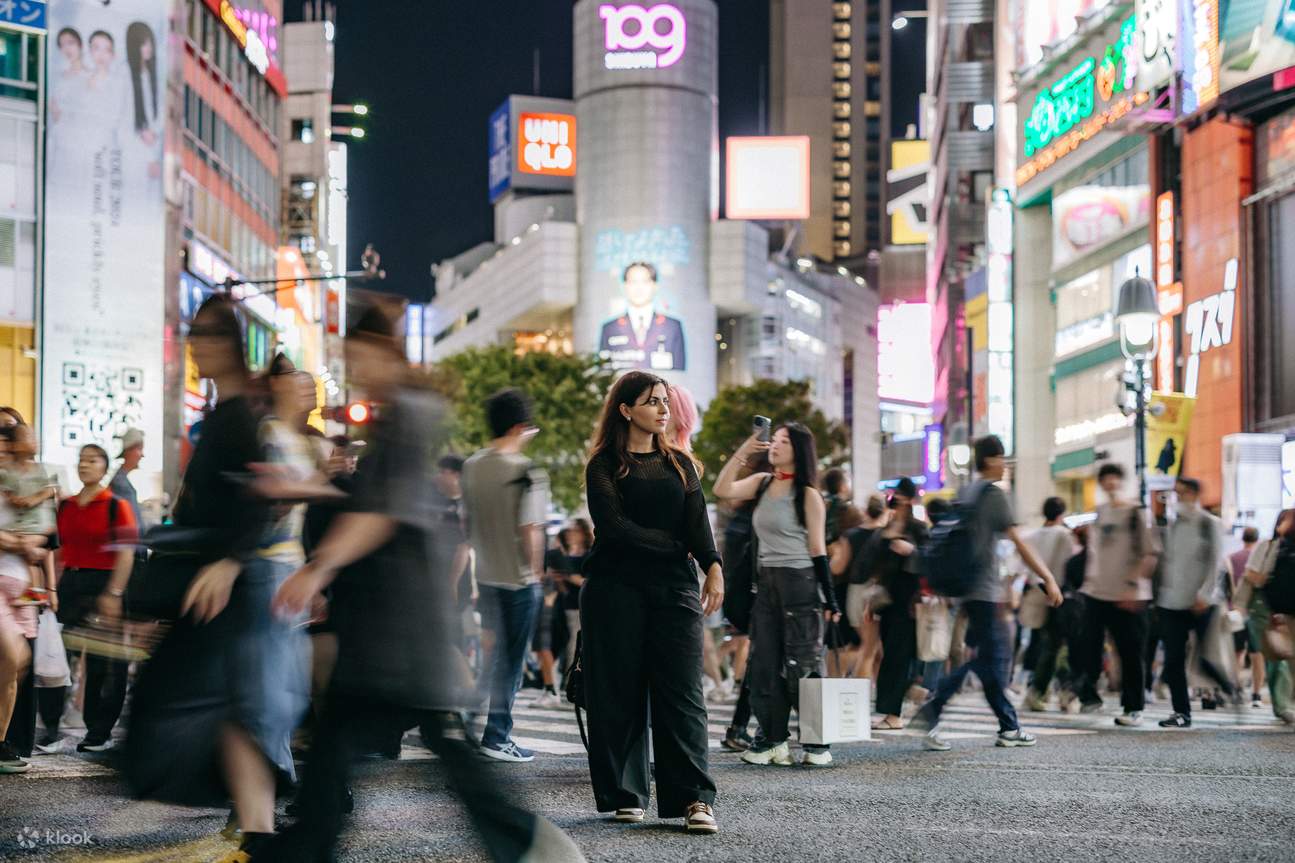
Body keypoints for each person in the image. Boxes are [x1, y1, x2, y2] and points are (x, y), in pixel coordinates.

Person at [260, 304, 583, 863]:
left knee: (428, 742)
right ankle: (309, 845)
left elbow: (384, 513)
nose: (355, 369)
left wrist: (316, 568)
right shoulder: (402, 412)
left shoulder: (408, 413)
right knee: (358, 731)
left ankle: (528, 841)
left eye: (358, 356)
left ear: (383, 351)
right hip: (391, 608)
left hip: (399, 613)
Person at [122, 296, 310, 862]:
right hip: (229, 585)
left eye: (204, 333)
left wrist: (229, 563)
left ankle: (264, 826)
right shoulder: (227, 412)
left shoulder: (241, 417)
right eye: (192, 332)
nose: (196, 343)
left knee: (233, 708)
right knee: (235, 711)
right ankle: (258, 829)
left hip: (241, 587)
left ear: (227, 341)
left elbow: (261, 500)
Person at [580, 371, 722, 834]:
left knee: (682, 693)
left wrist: (713, 564)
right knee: (619, 691)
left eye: (664, 401)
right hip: (614, 588)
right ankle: (626, 793)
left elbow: (699, 527)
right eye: (652, 402)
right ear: (625, 410)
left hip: (674, 590)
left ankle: (695, 800)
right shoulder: (603, 465)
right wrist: (675, 545)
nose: (664, 409)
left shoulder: (681, 464)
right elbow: (615, 528)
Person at [911, 435, 1063, 751]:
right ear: (991, 460)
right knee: (987, 660)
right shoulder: (993, 495)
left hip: (966, 588)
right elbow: (1019, 542)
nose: (1005, 465)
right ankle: (934, 708)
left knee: (989, 660)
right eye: (1002, 458)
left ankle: (1008, 726)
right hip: (983, 591)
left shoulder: (967, 491)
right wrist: (1047, 576)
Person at [713, 423, 840, 767]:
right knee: (764, 664)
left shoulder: (808, 495)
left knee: (803, 665)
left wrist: (831, 600)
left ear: (799, 451)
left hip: (800, 582)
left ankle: (817, 744)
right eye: (776, 440)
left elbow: (818, 549)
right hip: (766, 583)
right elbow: (722, 488)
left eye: (784, 442)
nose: (776, 446)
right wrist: (747, 448)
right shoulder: (763, 483)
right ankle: (772, 739)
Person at [460, 388, 549, 763]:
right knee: (511, 661)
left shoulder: (471, 466)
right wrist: (537, 573)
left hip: (487, 576)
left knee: (493, 654)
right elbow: (531, 529)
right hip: (518, 580)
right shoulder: (526, 471)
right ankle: (497, 735)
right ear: (519, 426)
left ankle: (468, 712)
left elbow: (468, 522)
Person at [44, 444, 140, 753]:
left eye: (92, 460)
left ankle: (98, 733)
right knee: (59, 656)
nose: (85, 465)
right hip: (71, 583)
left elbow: (126, 553)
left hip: (105, 583)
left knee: (104, 662)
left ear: (104, 466)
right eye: (81, 460)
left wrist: (114, 593)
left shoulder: (115, 504)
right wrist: (51, 587)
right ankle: (50, 728)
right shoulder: (67, 506)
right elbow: (57, 551)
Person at [1074, 464, 1160, 726]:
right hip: (1096, 592)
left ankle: (1133, 707)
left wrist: (1134, 585)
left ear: (1121, 481)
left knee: (1130, 652)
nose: (1110, 483)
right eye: (1105, 479)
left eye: (1114, 479)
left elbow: (1151, 553)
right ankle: (1089, 696)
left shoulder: (1137, 512)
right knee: (1087, 646)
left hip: (1128, 594)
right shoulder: (1099, 513)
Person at [1156, 478, 1235, 728]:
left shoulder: (1208, 523)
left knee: (1203, 659)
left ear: (1195, 494)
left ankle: (1230, 689)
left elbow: (1215, 563)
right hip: (1171, 602)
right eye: (1177, 493)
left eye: (1184, 492)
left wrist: (1204, 593)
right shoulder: (1174, 525)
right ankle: (1182, 713)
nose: (1179, 497)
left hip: (1201, 602)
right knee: (1173, 661)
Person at [865, 479, 928, 731]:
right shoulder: (888, 526)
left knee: (899, 655)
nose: (895, 499)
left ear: (910, 499)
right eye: (892, 495)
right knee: (888, 654)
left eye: (899, 496)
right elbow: (873, 562)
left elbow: (930, 561)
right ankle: (898, 703)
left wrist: (910, 550)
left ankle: (894, 713)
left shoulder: (919, 528)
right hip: (887, 600)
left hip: (910, 601)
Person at [1022, 498, 1076, 711]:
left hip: (1037, 594)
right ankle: (1060, 692)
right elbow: (1068, 564)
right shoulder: (1064, 535)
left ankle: (1039, 690)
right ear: (1061, 513)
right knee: (1059, 646)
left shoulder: (1032, 536)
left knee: (1043, 644)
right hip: (1059, 595)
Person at [1243, 509, 1295, 724]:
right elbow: (1251, 574)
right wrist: (1268, 581)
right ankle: (1282, 706)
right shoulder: (1268, 546)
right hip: (1268, 610)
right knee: (1279, 658)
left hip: (1290, 610)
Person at [835, 493, 889, 680]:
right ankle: (861, 695)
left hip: (855, 592)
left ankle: (875, 692)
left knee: (873, 648)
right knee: (869, 649)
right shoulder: (885, 535)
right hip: (875, 594)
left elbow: (839, 566)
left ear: (866, 510)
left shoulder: (850, 535)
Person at [597, 262, 686, 372]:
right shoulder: (609, 328)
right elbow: (604, 372)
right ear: (624, 286)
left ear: (655, 286)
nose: (639, 288)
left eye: (645, 281)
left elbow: (679, 372)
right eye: (633, 281)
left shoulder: (672, 326)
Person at [1228, 526, 1265, 708]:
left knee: (1237, 653)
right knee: (1257, 655)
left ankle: (1236, 690)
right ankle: (1256, 695)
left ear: (1242, 538)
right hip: (1256, 611)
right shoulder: (1260, 559)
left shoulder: (1232, 558)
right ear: (1257, 539)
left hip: (1236, 611)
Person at [108, 428, 145, 529]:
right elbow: (132, 525)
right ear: (129, 450)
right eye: (139, 449)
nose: (142, 455)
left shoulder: (120, 480)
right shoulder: (120, 484)